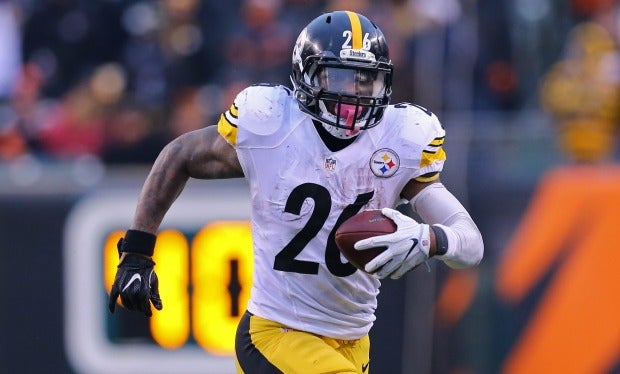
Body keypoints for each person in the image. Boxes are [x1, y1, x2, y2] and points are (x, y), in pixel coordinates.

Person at [108, 10, 484, 374]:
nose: (353, 96)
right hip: (275, 335)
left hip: (353, 341)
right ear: (307, 76)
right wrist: (137, 251)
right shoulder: (271, 124)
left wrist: (428, 238)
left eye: (365, 80)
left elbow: (470, 242)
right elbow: (180, 155)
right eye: (339, 79)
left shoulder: (401, 139)